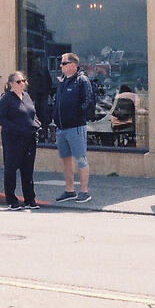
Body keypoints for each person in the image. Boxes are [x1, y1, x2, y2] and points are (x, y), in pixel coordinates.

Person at [0, 71, 41, 210]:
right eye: (19, 81)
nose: (22, 84)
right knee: (11, 169)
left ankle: (30, 199)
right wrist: (17, 129)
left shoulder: (26, 96)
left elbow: (32, 113)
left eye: (24, 81)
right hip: (13, 140)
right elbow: (1, 119)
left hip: (29, 138)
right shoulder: (6, 99)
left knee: (28, 170)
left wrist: (37, 124)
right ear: (11, 84)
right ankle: (11, 200)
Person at [53, 52, 93, 203]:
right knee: (66, 159)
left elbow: (88, 101)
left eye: (63, 63)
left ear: (72, 65)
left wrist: (77, 116)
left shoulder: (82, 81)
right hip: (62, 128)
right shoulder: (63, 82)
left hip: (76, 127)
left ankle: (84, 191)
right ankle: (69, 190)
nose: (60, 66)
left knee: (81, 159)